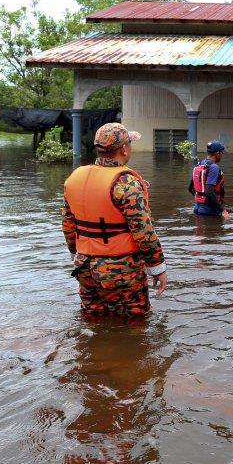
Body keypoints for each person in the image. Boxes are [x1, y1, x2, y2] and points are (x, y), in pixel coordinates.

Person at [62, 123, 168, 318]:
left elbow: (68, 225)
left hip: (83, 266)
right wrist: (157, 268)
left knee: (93, 318)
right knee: (136, 322)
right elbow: (144, 231)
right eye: (130, 143)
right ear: (124, 149)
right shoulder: (125, 182)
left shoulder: (74, 177)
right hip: (120, 268)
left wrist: (76, 256)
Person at [190, 140, 229, 219]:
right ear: (217, 154)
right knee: (214, 230)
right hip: (209, 210)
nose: (222, 155)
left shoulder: (200, 164)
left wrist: (200, 199)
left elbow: (190, 188)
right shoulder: (214, 167)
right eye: (222, 153)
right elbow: (209, 193)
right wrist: (222, 210)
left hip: (197, 208)